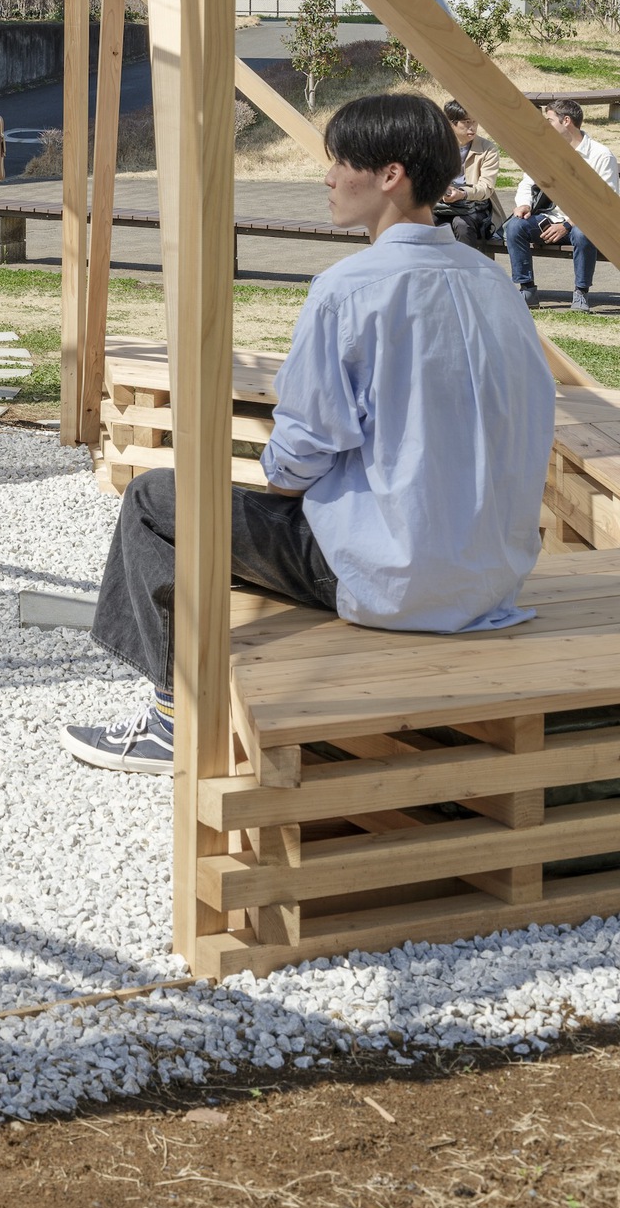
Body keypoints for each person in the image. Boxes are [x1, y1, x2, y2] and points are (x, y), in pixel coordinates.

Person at [62, 90, 554, 775]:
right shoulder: (494, 284)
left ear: (390, 175)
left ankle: (174, 718)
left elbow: (291, 463)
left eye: (339, 162)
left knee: (154, 501)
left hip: (393, 574)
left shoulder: (349, 288)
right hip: (492, 576)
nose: (326, 178)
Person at [506, 95, 620, 312]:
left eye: (549, 120)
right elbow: (527, 183)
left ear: (566, 121)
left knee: (582, 233)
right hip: (550, 218)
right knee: (515, 226)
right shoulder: (546, 151)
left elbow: (606, 204)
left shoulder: (600, 156)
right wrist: (524, 205)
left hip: (587, 224)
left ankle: (581, 292)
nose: (545, 125)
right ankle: (527, 289)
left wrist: (568, 224)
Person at [434, 99, 501, 252]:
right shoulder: (437, 146)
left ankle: (467, 273)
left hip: (475, 206)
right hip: (441, 205)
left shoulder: (487, 149)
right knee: (426, 224)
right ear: (451, 123)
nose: (472, 127)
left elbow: (486, 188)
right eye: (466, 122)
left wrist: (463, 194)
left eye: (475, 122)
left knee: (462, 224)